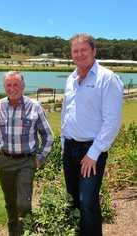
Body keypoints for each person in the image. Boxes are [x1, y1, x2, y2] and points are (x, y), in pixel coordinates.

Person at [61, 33, 124, 236]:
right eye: (75, 51)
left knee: (88, 201)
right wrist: (64, 143)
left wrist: (93, 153)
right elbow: (66, 112)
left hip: (91, 151)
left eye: (83, 50)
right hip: (69, 148)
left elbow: (112, 122)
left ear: (94, 51)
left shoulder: (107, 78)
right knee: (74, 199)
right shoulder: (71, 79)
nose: (79, 54)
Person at [0, 71, 54, 236]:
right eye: (9, 85)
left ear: (23, 86)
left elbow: (48, 136)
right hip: (5, 161)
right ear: (4, 87)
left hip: (26, 162)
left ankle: (27, 228)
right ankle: (14, 231)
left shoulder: (34, 107)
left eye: (16, 84)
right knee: (10, 201)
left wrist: (40, 158)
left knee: (23, 203)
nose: (12, 88)